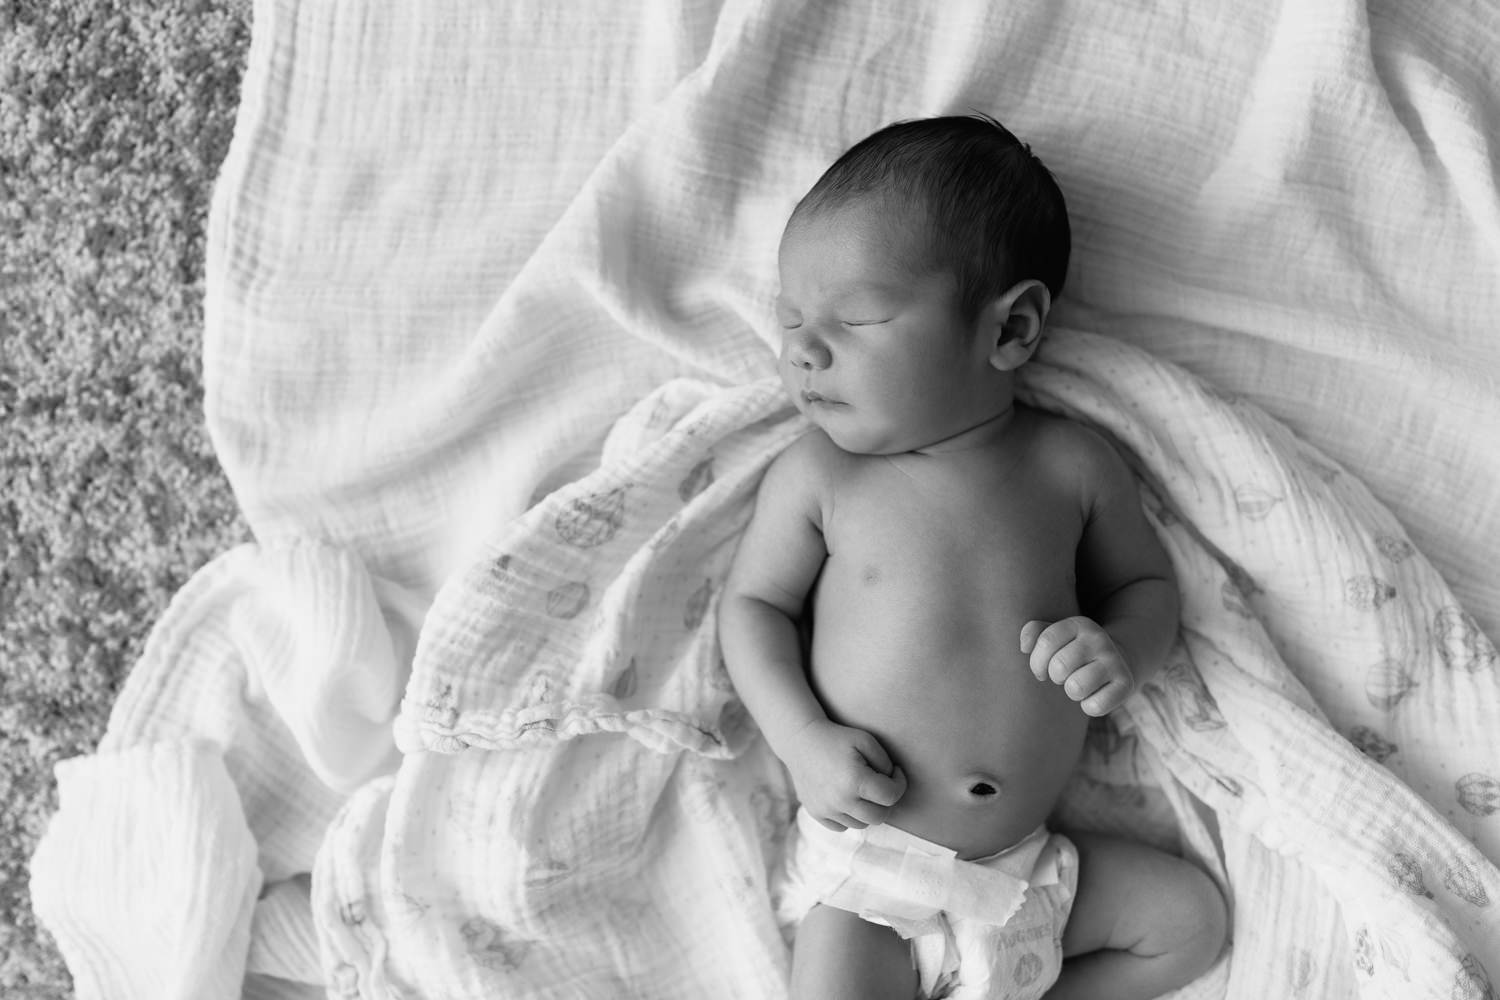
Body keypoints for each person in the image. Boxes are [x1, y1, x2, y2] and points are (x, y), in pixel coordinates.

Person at [718, 115, 1228, 1000]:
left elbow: (1146, 587)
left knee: (1191, 923)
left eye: (857, 317)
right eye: (792, 317)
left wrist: (1120, 650)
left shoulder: (1070, 465)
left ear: (1011, 328)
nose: (803, 348)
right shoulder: (822, 476)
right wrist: (802, 742)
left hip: (1028, 876)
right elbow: (752, 608)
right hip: (872, 877)